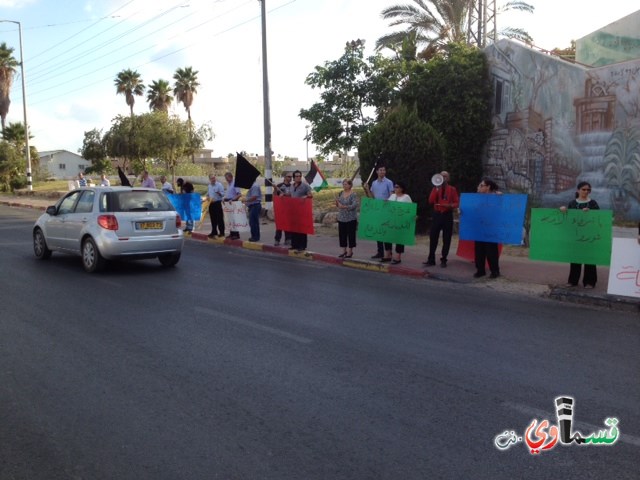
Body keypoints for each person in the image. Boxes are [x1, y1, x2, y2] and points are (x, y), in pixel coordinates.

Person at [559, 181, 599, 288]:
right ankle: (573, 281)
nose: (586, 191)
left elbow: (599, 219)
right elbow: (568, 220)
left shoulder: (593, 203)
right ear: (578, 190)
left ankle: (590, 282)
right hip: (576, 236)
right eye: (584, 189)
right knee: (575, 258)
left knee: (589, 259)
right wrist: (563, 211)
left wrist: (590, 212)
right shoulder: (572, 203)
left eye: (588, 190)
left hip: (589, 236)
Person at [425, 171, 459, 268]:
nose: (443, 178)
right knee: (433, 237)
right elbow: (431, 201)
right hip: (437, 214)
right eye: (442, 176)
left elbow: (456, 202)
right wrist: (436, 189)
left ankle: (444, 259)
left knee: (447, 238)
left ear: (448, 178)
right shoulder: (435, 188)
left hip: (447, 215)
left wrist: (450, 205)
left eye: (445, 176)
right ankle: (431, 259)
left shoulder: (452, 189)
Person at [363, 165, 393, 260]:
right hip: (377, 210)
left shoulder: (389, 182)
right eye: (380, 170)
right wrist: (367, 189)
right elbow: (372, 198)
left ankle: (388, 252)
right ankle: (380, 252)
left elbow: (392, 196)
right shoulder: (374, 183)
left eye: (384, 170)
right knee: (378, 232)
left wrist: (387, 202)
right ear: (377, 171)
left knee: (386, 232)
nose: (382, 172)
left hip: (386, 210)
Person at [474, 178, 501, 279]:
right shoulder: (478, 198)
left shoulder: (496, 197)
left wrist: (500, 198)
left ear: (488, 187)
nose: (479, 187)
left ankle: (495, 271)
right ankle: (480, 270)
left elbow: (503, 209)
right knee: (479, 250)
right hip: (479, 227)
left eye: (481, 185)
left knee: (491, 250)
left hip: (491, 228)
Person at [387, 182, 412, 264]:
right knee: (387, 237)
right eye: (395, 187)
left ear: (401, 188)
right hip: (391, 220)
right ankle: (388, 254)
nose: (395, 188)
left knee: (399, 239)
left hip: (400, 221)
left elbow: (410, 209)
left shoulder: (406, 197)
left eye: (397, 187)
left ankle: (398, 257)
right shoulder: (392, 196)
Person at [290, 169, 313, 252]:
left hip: (302, 210)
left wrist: (306, 197)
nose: (298, 178)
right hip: (293, 210)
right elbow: (290, 195)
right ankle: (294, 244)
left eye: (300, 176)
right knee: (294, 227)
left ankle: (302, 245)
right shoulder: (291, 186)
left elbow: (310, 195)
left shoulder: (305, 186)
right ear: (294, 178)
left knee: (302, 228)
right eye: (296, 176)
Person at [335, 178, 358, 258]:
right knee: (342, 235)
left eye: (346, 184)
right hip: (341, 218)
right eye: (343, 184)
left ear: (350, 185)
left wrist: (345, 207)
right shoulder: (341, 193)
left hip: (351, 218)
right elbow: (338, 204)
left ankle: (350, 251)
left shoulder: (353, 194)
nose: (344, 186)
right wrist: (337, 203)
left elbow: (354, 205)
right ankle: (343, 251)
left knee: (351, 235)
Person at [274, 173, 293, 246]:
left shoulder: (293, 186)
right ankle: (277, 239)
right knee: (280, 224)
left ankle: (288, 239)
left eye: (291, 177)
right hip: (281, 208)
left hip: (289, 208)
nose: (290, 178)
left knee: (288, 224)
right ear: (284, 177)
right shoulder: (279, 186)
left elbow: (294, 195)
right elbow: (275, 196)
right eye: (288, 177)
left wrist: (286, 195)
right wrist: (275, 189)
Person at [223, 172, 242, 240]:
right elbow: (228, 194)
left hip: (233, 202)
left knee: (234, 219)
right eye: (226, 178)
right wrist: (224, 198)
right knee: (229, 219)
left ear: (230, 177)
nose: (226, 180)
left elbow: (239, 194)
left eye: (227, 178)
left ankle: (236, 234)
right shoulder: (228, 184)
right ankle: (231, 233)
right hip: (228, 202)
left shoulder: (235, 184)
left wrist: (233, 199)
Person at [205, 174, 225, 238]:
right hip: (211, 203)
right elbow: (208, 194)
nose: (213, 179)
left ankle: (222, 232)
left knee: (219, 218)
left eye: (214, 178)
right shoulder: (209, 186)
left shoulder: (219, 185)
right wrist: (207, 197)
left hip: (217, 203)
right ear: (210, 179)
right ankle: (214, 231)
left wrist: (219, 193)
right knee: (213, 218)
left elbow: (223, 194)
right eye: (211, 178)